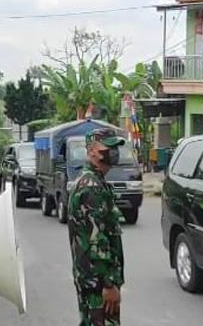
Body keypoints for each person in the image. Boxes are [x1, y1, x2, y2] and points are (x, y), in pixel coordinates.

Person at [67, 128, 126, 326]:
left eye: (116, 147)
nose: (113, 152)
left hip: (92, 279)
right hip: (97, 282)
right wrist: (108, 284)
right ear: (91, 151)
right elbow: (96, 240)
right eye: (108, 147)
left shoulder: (94, 181)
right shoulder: (91, 187)